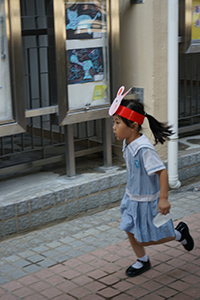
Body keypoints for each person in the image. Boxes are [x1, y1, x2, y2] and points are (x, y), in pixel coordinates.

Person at [109, 86, 194, 277]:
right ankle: (142, 261)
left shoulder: (144, 149)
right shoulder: (127, 142)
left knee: (145, 239)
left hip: (147, 201)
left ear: (133, 126)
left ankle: (179, 234)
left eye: (117, 122)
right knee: (129, 230)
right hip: (132, 198)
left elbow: (162, 172)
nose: (113, 127)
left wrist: (163, 198)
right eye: (113, 122)